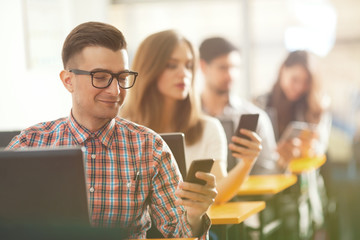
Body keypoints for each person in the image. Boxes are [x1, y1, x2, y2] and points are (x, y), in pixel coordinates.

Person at [6, 22, 217, 239]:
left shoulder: (149, 147)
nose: (115, 90)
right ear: (68, 80)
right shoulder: (29, 144)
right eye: (100, 77)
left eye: (122, 78)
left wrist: (194, 218)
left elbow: (179, 234)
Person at [120, 30, 262, 205]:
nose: (184, 74)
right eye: (172, 65)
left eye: (188, 66)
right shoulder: (121, 127)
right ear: (149, 68)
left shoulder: (208, 127)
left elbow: (218, 194)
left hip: (192, 229)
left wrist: (246, 164)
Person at [199, 37, 281, 174]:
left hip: (246, 194)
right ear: (203, 67)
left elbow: (270, 171)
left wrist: (250, 161)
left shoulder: (256, 116)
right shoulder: (186, 114)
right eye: (222, 68)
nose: (230, 75)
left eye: (235, 68)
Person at [254, 50, 331, 167]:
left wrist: (308, 149)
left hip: (305, 178)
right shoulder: (260, 104)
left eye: (306, 82)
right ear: (282, 71)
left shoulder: (316, 105)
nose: (299, 87)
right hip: (270, 179)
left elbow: (321, 148)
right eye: (295, 79)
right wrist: (276, 155)